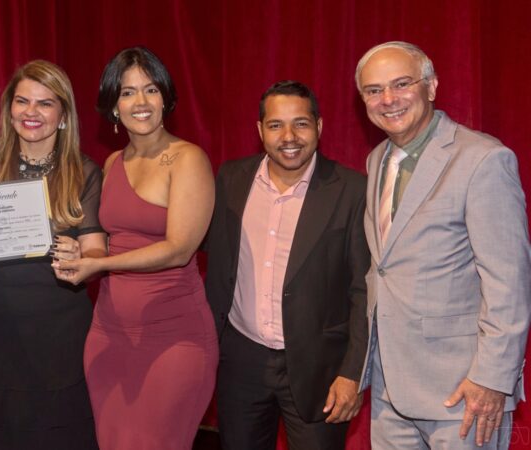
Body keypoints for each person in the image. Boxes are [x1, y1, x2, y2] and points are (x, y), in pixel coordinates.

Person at [355, 41, 531, 449]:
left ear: (431, 86)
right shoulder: (376, 159)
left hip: (463, 393)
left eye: (401, 84)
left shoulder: (483, 160)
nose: (388, 100)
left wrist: (491, 378)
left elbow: (509, 282)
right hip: (388, 389)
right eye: (374, 90)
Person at [54, 47, 218, 450]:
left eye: (150, 90)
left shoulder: (188, 159)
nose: (140, 102)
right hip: (108, 336)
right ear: (113, 106)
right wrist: (82, 256)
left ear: (166, 97)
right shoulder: (111, 164)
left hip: (174, 338)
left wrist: (100, 264)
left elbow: (179, 250)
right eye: (127, 93)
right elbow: (103, 243)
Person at [204, 80, 370, 450]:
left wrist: (352, 374)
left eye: (301, 123)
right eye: (276, 125)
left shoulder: (353, 191)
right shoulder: (231, 179)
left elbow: (364, 292)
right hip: (241, 361)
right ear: (260, 130)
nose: (289, 136)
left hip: (320, 369)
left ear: (320, 127)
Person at [0, 59, 106, 450]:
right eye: (22, 101)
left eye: (44, 103)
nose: (31, 112)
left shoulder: (85, 172)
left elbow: (96, 248)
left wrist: (82, 254)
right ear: (9, 110)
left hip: (60, 330)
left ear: (62, 115)